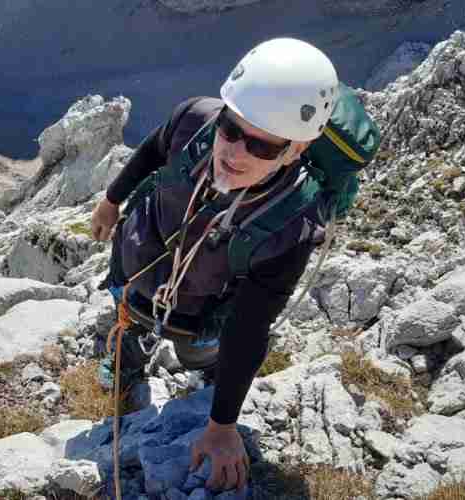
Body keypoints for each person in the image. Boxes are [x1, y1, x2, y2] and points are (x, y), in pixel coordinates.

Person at [90, 37, 342, 493]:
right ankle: (127, 370)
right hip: (136, 269)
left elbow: (249, 326)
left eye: (262, 147)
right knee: (127, 327)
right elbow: (151, 150)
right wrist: (111, 200)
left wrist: (222, 424)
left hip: (199, 313)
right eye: (231, 128)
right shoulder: (196, 120)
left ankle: (206, 376)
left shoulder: (292, 225)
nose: (234, 152)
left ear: (299, 149)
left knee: (201, 355)